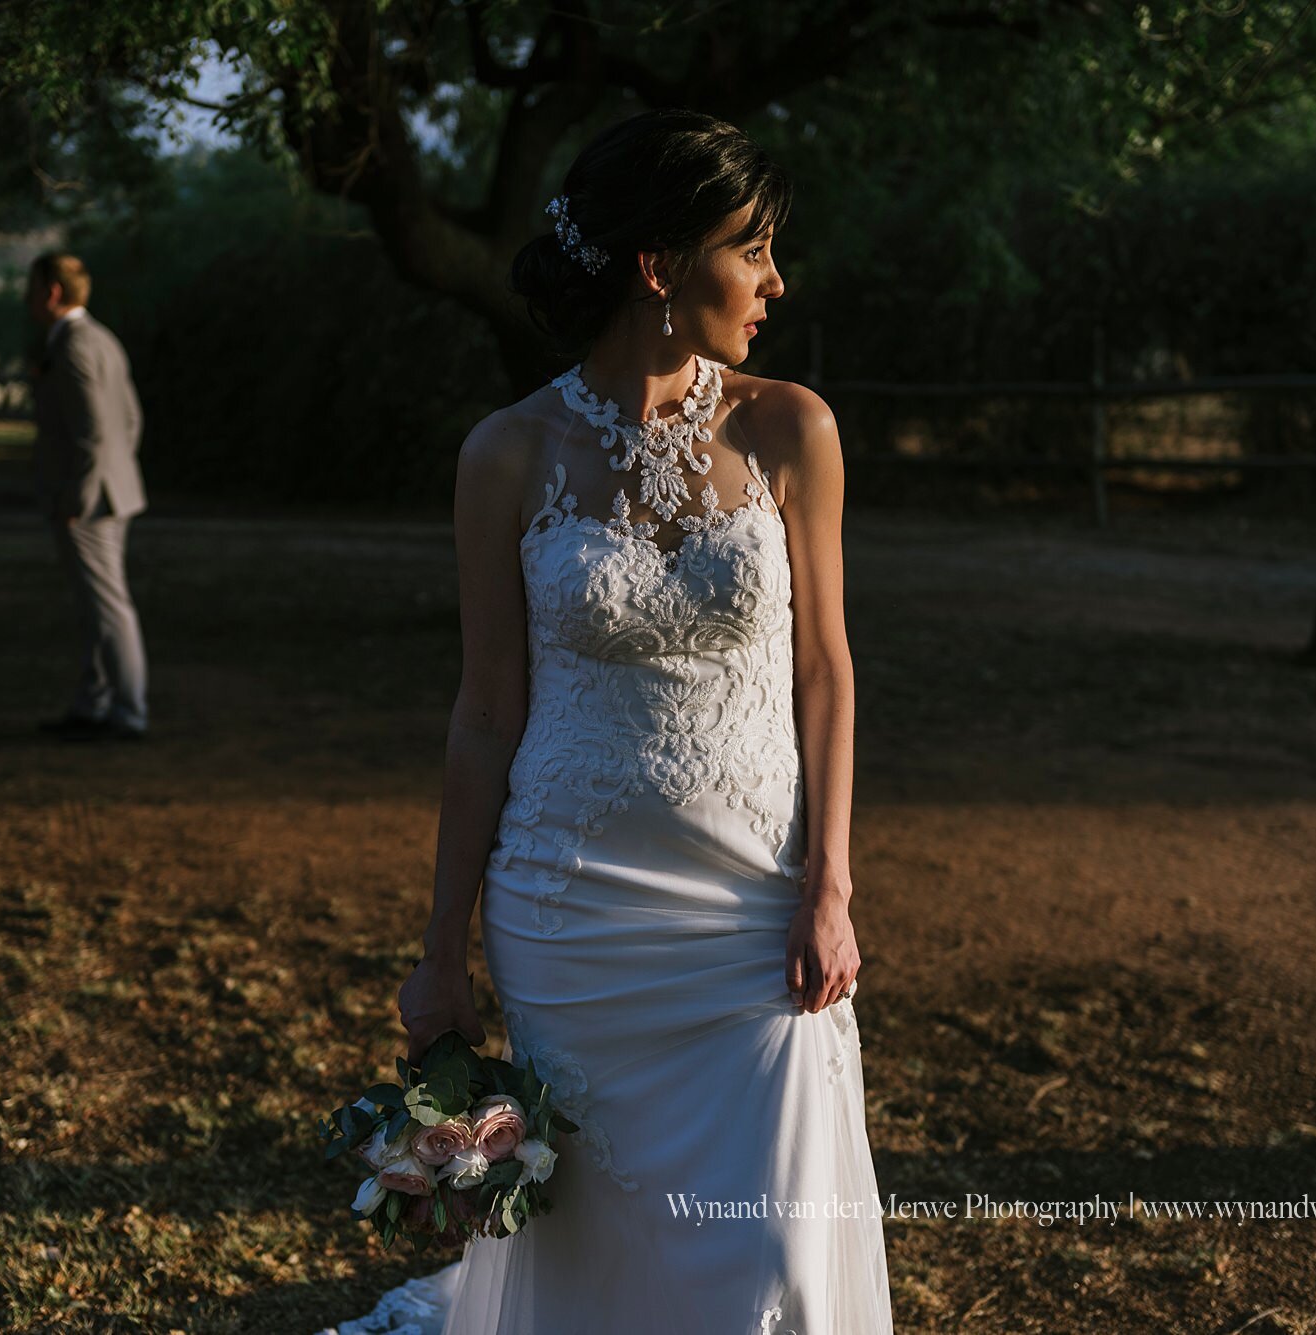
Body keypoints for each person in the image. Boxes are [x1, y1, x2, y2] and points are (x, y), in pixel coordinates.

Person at [323, 109, 892, 1334]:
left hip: (756, 917)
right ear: (659, 266)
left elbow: (826, 676)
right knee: (597, 1266)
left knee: (776, 1263)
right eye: (753, 250)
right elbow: (484, 712)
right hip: (570, 925)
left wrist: (830, 887)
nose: (775, 281)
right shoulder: (505, 453)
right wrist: (438, 954)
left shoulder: (791, 427)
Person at [26, 252, 150, 742]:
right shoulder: (103, 339)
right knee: (96, 606)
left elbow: (93, 432)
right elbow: (131, 420)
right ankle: (94, 703)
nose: (27, 299)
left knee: (108, 606)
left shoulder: (75, 346)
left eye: (31, 288)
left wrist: (78, 495)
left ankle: (128, 711)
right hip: (113, 493)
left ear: (52, 292)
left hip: (89, 501)